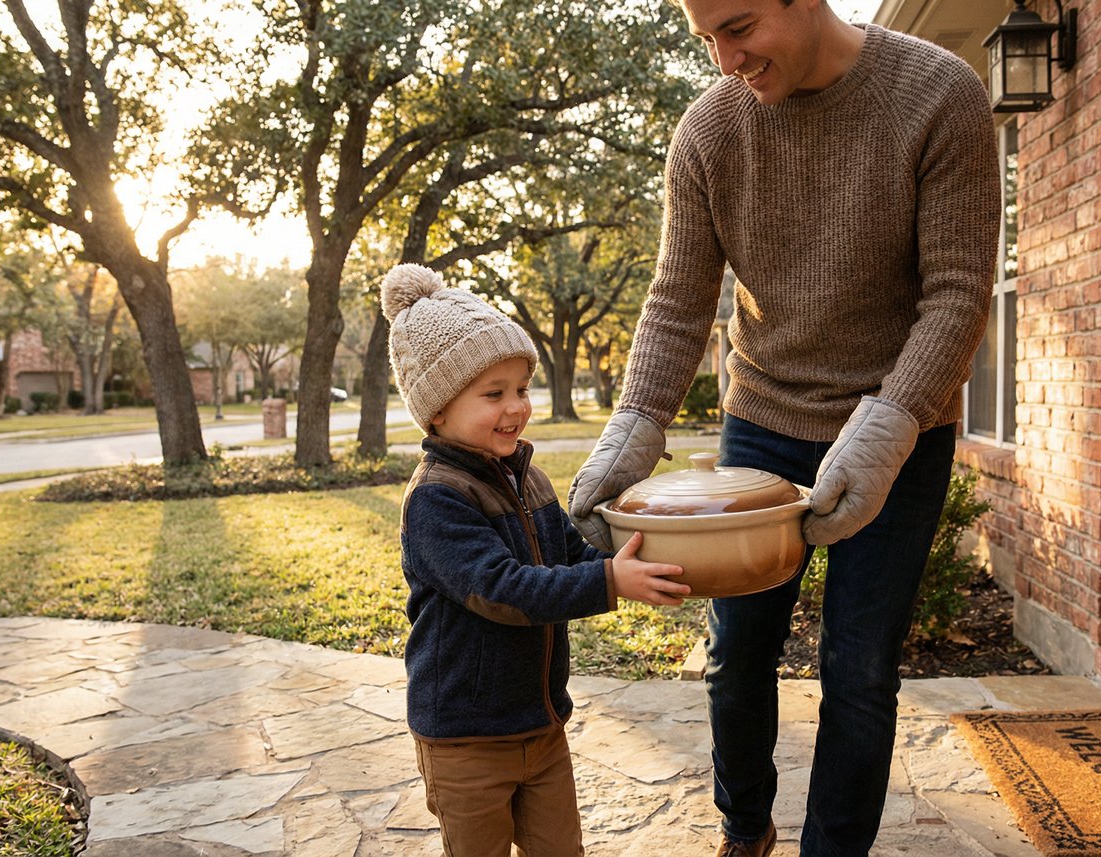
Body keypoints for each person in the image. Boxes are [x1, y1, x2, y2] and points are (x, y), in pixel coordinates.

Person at [565, 0, 1001, 852]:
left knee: (860, 669)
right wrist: (634, 429)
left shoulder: (940, 94)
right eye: (708, 40)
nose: (727, 58)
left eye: (740, 27)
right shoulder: (708, 132)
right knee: (737, 652)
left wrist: (888, 426)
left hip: (897, 426)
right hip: (762, 419)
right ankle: (745, 825)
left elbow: (956, 294)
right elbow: (676, 303)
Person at [381, 263, 690, 857]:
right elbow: (504, 590)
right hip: (466, 740)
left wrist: (649, 548)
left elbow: (571, 553)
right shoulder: (436, 499)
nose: (515, 407)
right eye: (492, 394)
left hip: (541, 725)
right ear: (437, 408)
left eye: (521, 389)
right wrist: (609, 582)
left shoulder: (530, 479)